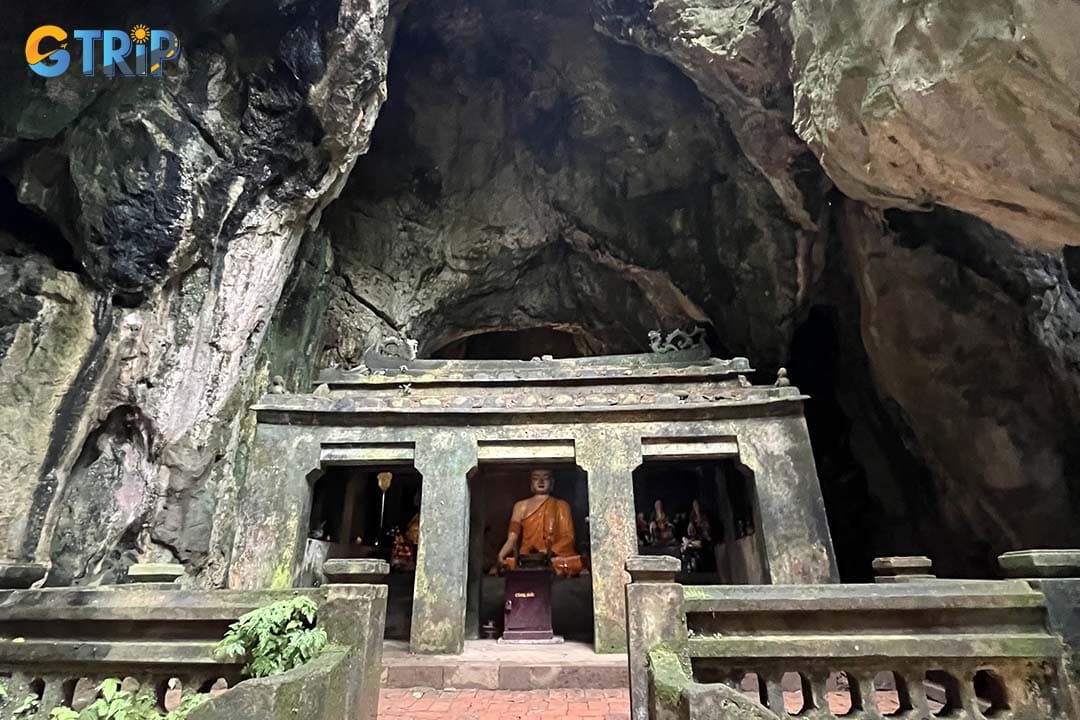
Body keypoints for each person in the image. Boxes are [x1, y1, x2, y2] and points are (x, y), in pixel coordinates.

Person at [497, 469, 582, 576]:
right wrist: (501, 555)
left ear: (552, 483)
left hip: (553, 557)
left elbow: (569, 537)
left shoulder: (561, 505)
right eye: (536, 478)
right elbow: (512, 537)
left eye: (545, 478)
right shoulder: (520, 506)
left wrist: (548, 550)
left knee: (568, 563)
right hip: (526, 558)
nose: (541, 481)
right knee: (511, 563)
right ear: (531, 483)